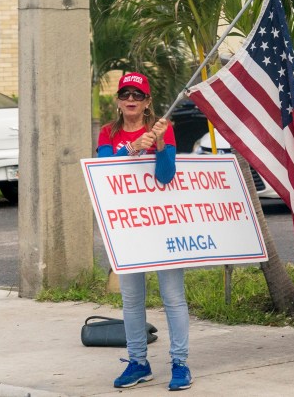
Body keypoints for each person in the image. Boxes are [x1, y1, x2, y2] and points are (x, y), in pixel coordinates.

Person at [96, 72, 192, 391]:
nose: (131, 100)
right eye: (126, 94)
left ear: (148, 101)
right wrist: (134, 148)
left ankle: (180, 363)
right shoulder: (108, 133)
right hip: (127, 229)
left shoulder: (164, 130)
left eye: (138, 95)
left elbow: (166, 177)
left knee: (173, 296)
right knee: (132, 299)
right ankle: (138, 362)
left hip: (163, 225)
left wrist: (161, 143)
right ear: (119, 100)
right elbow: (105, 173)